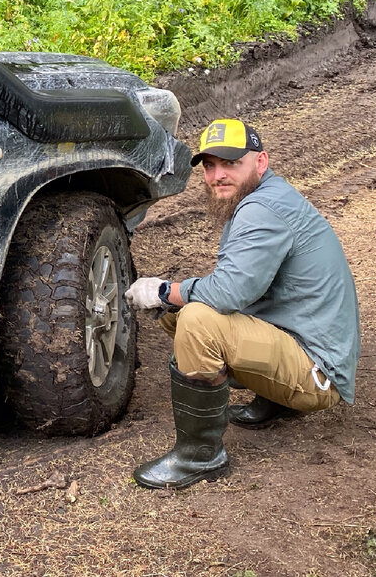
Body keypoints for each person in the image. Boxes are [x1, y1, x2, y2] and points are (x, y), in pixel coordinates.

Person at [124, 118, 360, 489]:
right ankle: (275, 401)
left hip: (318, 372)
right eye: (210, 165)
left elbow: (228, 294)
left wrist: (162, 290)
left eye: (231, 163)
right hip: (305, 341)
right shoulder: (268, 195)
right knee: (181, 316)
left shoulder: (262, 211)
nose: (217, 175)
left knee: (197, 321)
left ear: (260, 162)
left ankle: (199, 456)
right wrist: (174, 302)